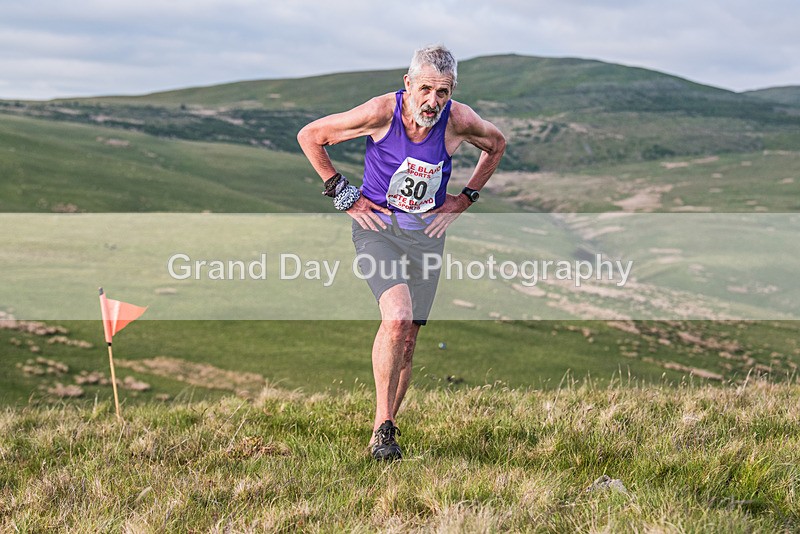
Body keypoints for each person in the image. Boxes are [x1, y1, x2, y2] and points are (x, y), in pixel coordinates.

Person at [297, 44, 505, 461]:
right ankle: (381, 427)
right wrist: (344, 195)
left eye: (442, 92)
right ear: (407, 83)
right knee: (396, 317)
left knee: (408, 339)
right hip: (378, 230)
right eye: (425, 89)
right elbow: (311, 136)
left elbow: (496, 145)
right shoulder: (381, 112)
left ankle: (386, 427)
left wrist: (464, 199)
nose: (433, 101)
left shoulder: (458, 120)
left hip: (426, 234)